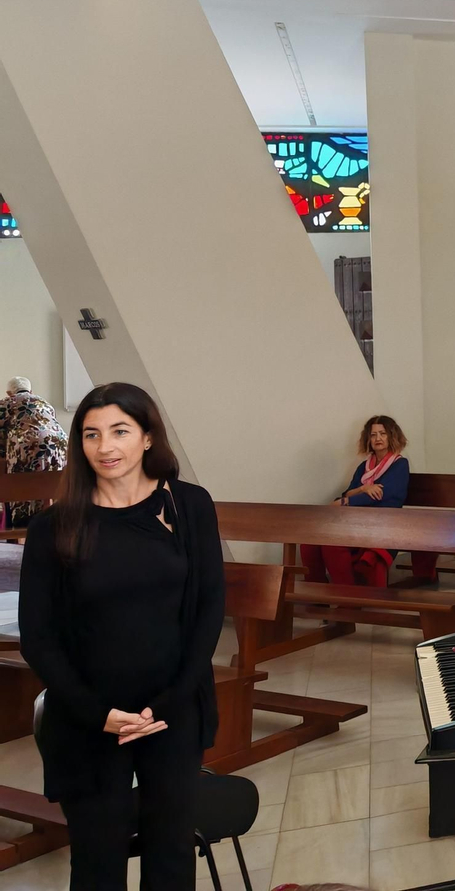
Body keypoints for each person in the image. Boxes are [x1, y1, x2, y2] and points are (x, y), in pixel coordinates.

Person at [19, 383, 224, 889]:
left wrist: (169, 703)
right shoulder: (55, 526)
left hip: (172, 710)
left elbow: (208, 611)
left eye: (119, 431)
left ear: (148, 437)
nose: (105, 447)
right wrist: (100, 715)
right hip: (89, 716)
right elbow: (37, 636)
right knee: (97, 859)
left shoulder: (190, 507)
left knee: (172, 851)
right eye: (91, 434)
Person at [298, 416, 418, 587]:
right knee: (308, 542)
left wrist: (345, 502)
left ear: (392, 436)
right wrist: (363, 489)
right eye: (373, 435)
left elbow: (380, 495)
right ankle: (317, 591)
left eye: (383, 434)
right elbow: (348, 492)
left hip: (382, 522)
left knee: (332, 545)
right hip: (357, 519)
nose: (377, 438)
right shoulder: (364, 466)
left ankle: (348, 596)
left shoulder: (399, 464)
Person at [2, 376, 68, 530]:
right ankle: (55, 518)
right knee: (50, 486)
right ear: (31, 391)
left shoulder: (6, 403)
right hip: (60, 446)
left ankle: (25, 524)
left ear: (9, 392)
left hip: (28, 446)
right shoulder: (44, 402)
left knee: (23, 485)